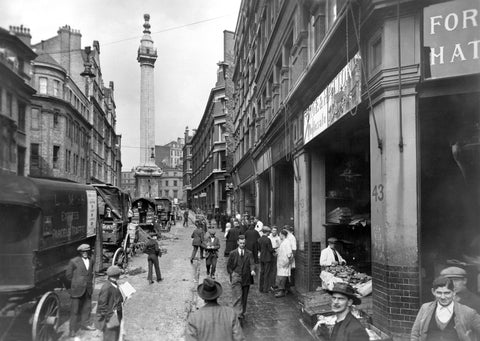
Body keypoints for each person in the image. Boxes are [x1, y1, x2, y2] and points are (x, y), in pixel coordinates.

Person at [411, 276, 480, 341]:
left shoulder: (468, 312)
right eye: (439, 293)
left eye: (447, 293)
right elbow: (415, 334)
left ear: (454, 292)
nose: (443, 297)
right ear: (433, 292)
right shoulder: (425, 308)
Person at [66, 244, 95, 337]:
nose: (85, 253)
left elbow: (91, 273)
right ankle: (72, 330)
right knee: (74, 310)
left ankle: (85, 324)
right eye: (83, 251)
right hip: (77, 289)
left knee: (87, 308)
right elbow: (68, 276)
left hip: (88, 288)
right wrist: (76, 283)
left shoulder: (91, 260)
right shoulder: (74, 261)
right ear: (80, 252)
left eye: (87, 251)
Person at [227, 235, 256, 320]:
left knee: (244, 296)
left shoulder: (249, 253)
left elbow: (252, 263)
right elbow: (229, 266)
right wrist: (232, 274)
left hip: (246, 277)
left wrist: (252, 270)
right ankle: (237, 313)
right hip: (236, 276)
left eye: (243, 243)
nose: (242, 245)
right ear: (237, 243)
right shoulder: (233, 253)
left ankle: (242, 311)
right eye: (241, 243)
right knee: (237, 295)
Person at [96, 265, 124, 341]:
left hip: (116, 316)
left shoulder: (114, 284)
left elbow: (117, 298)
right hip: (110, 318)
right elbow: (102, 306)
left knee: (115, 336)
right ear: (117, 276)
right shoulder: (107, 287)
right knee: (110, 337)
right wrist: (111, 318)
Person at [275, 230, 293, 298]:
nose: (279, 236)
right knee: (282, 276)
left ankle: (282, 291)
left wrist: (288, 262)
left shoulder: (287, 242)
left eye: (280, 235)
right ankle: (284, 290)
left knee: (282, 277)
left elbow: (289, 253)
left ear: (282, 235)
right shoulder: (283, 242)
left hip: (284, 263)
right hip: (281, 262)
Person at [258, 226, 274, 293]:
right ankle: (266, 288)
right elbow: (270, 249)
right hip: (268, 258)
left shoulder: (259, 239)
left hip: (262, 257)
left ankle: (261, 288)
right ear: (267, 232)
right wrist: (274, 249)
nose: (269, 233)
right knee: (267, 273)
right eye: (268, 232)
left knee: (262, 273)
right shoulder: (268, 240)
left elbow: (259, 249)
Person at [268, 226, 281, 291]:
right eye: (273, 230)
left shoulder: (278, 238)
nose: (274, 232)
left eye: (275, 230)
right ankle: (270, 284)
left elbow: (280, 246)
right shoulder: (269, 238)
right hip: (269, 255)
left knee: (274, 270)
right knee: (270, 270)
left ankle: (273, 284)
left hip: (276, 254)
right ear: (271, 231)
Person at [285, 225, 297, 290]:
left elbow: (294, 249)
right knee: (287, 271)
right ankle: (287, 285)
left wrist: (292, 258)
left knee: (291, 271)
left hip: (290, 256)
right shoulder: (287, 237)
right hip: (287, 256)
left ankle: (290, 285)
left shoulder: (292, 237)